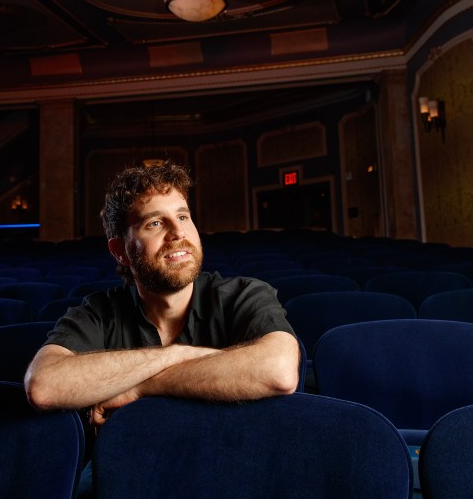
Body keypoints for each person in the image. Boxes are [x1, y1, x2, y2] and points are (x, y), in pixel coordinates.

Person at [25, 161, 300, 428]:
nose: (178, 231)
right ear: (120, 251)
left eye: (182, 216)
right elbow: (44, 386)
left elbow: (280, 370)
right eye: (155, 223)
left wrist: (144, 385)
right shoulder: (98, 312)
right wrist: (177, 355)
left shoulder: (244, 295)